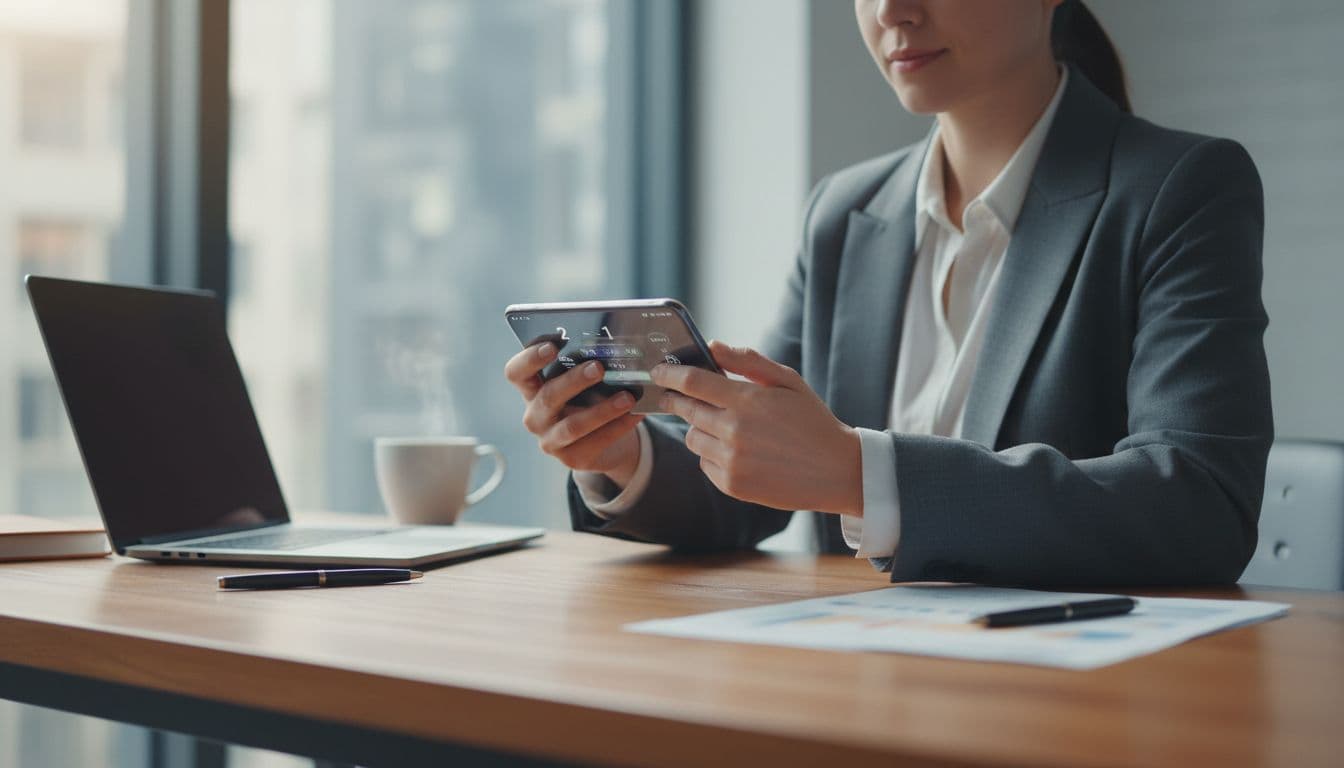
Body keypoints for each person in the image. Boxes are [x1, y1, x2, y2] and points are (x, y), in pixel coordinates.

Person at [503, 0, 1271, 586]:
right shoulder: (845, 212)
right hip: (855, 685)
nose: (890, 10)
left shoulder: (1179, 188)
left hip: (1071, 703)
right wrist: (622, 455)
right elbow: (761, 484)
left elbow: (1200, 504)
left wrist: (858, 474)